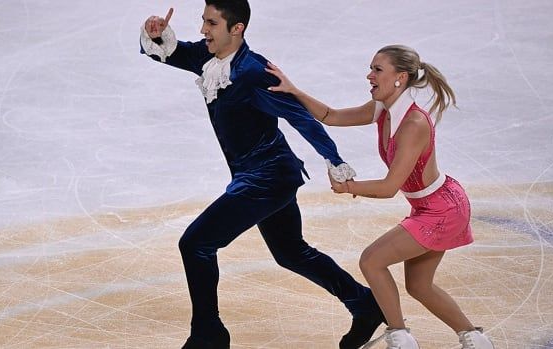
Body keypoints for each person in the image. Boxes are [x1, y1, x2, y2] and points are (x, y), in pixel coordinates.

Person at [139, 1, 386, 348]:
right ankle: (366, 305)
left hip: (268, 177)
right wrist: (156, 35)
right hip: (260, 174)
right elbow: (169, 53)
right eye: (203, 21)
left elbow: (299, 117)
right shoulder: (208, 58)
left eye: (211, 23)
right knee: (290, 252)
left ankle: (209, 334)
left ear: (236, 29)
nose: (203, 30)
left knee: (196, 244)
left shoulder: (255, 72)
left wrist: (335, 160)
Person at [267, 45, 495, 349]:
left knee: (372, 261)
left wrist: (348, 187)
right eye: (371, 68)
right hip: (432, 205)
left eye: (377, 70)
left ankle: (400, 338)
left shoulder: (413, 125)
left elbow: (389, 188)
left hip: (442, 210)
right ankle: (476, 340)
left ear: (399, 77)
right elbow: (331, 116)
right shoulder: (382, 109)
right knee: (419, 286)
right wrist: (294, 90)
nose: (369, 75)